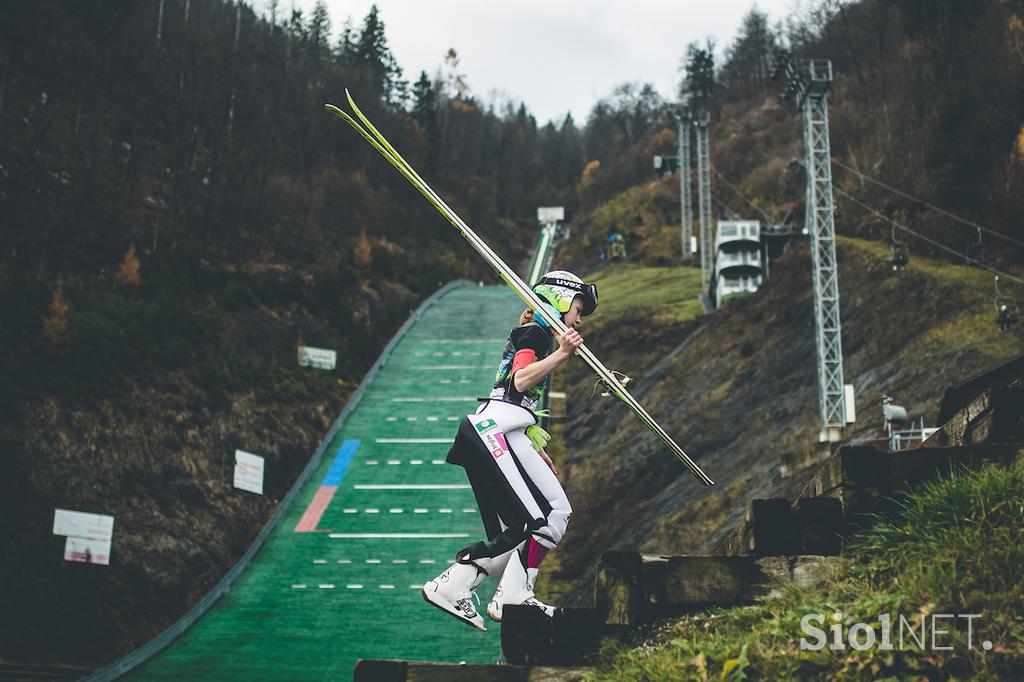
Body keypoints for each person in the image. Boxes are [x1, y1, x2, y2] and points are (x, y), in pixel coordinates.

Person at [421, 271, 598, 631]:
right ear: (561, 300)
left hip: (504, 427)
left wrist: (533, 443)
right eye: (578, 309)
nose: (579, 319)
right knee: (540, 518)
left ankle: (455, 585)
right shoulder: (536, 333)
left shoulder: (537, 333)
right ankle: (512, 594)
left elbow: (515, 396)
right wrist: (563, 353)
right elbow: (519, 380)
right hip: (494, 428)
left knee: (544, 519)